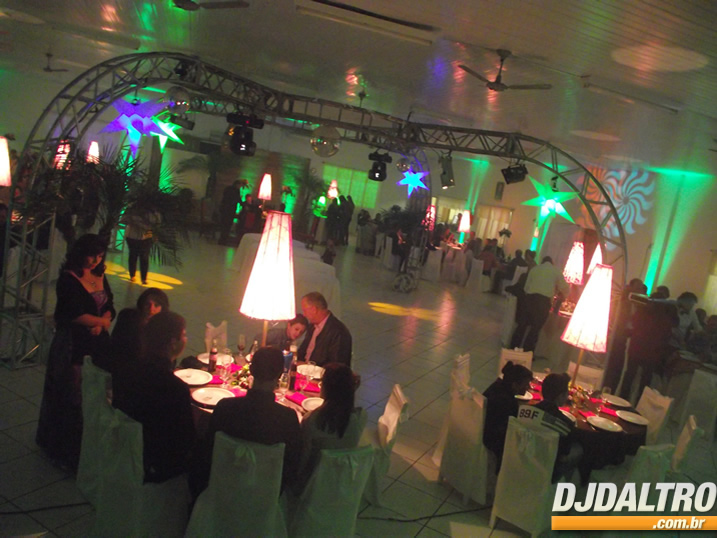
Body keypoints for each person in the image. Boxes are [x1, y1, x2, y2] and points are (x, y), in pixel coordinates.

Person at [36, 234, 116, 470]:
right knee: (71, 395)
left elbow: (109, 305)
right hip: (73, 344)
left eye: (100, 256)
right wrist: (100, 322)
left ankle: (87, 445)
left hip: (98, 343)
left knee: (94, 393)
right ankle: (64, 450)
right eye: (92, 255)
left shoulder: (100, 275)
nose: (95, 260)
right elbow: (70, 313)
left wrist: (104, 321)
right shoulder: (68, 279)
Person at [203, 347, 302, 492]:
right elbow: (292, 469)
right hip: (265, 498)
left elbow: (206, 454)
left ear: (251, 369)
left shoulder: (225, 407)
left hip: (221, 491)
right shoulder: (288, 418)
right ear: (280, 374)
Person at [112, 312, 196, 483]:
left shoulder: (128, 370)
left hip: (125, 450)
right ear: (173, 342)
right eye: (184, 335)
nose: (186, 339)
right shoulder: (174, 387)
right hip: (159, 463)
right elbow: (186, 440)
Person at [299, 363, 366, 489]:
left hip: (313, 484)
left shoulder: (312, 421)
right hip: (343, 481)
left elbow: (303, 458)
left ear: (326, 388)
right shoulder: (360, 417)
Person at [510, 256, 569, 352]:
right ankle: (527, 352)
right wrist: (561, 295)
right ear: (552, 262)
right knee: (535, 329)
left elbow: (526, 288)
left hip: (529, 299)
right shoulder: (556, 271)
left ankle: (512, 349)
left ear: (542, 262)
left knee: (521, 326)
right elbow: (565, 288)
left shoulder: (534, 269)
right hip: (543, 302)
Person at [482, 361, 533, 470]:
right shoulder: (508, 402)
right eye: (525, 384)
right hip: (493, 440)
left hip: (483, 429)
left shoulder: (497, 385)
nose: (528, 387)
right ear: (515, 385)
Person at [533, 373, 583, 482]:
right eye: (567, 394)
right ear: (560, 396)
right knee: (579, 450)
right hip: (547, 469)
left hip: (526, 456)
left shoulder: (526, 410)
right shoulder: (565, 423)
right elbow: (563, 454)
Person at [603, 278, 647, 392]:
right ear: (630, 288)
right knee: (614, 365)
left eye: (640, 289)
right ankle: (607, 388)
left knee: (621, 367)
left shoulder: (640, 304)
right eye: (637, 288)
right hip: (619, 337)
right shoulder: (621, 302)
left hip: (632, 339)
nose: (639, 291)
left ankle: (615, 390)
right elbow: (615, 319)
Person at [111, 288, 170, 370]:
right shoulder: (128, 317)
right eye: (147, 304)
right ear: (141, 304)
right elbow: (116, 343)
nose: (151, 309)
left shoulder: (165, 326)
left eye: (156, 305)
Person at [298, 291, 352, 367]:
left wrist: (308, 367)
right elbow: (302, 351)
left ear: (314, 309)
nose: (304, 314)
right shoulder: (312, 327)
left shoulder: (339, 332)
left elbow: (336, 367)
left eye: (304, 310)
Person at [123, 206, 160, 285]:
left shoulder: (153, 210)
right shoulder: (132, 208)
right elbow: (124, 220)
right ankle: (132, 275)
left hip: (146, 237)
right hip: (132, 236)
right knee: (133, 256)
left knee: (144, 258)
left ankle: (143, 278)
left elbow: (157, 223)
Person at [218, 180, 242, 245]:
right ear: (237, 185)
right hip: (230, 210)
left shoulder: (227, 189)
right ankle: (224, 240)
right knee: (228, 226)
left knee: (224, 225)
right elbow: (238, 200)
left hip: (224, 209)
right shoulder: (236, 191)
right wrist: (243, 204)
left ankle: (221, 239)